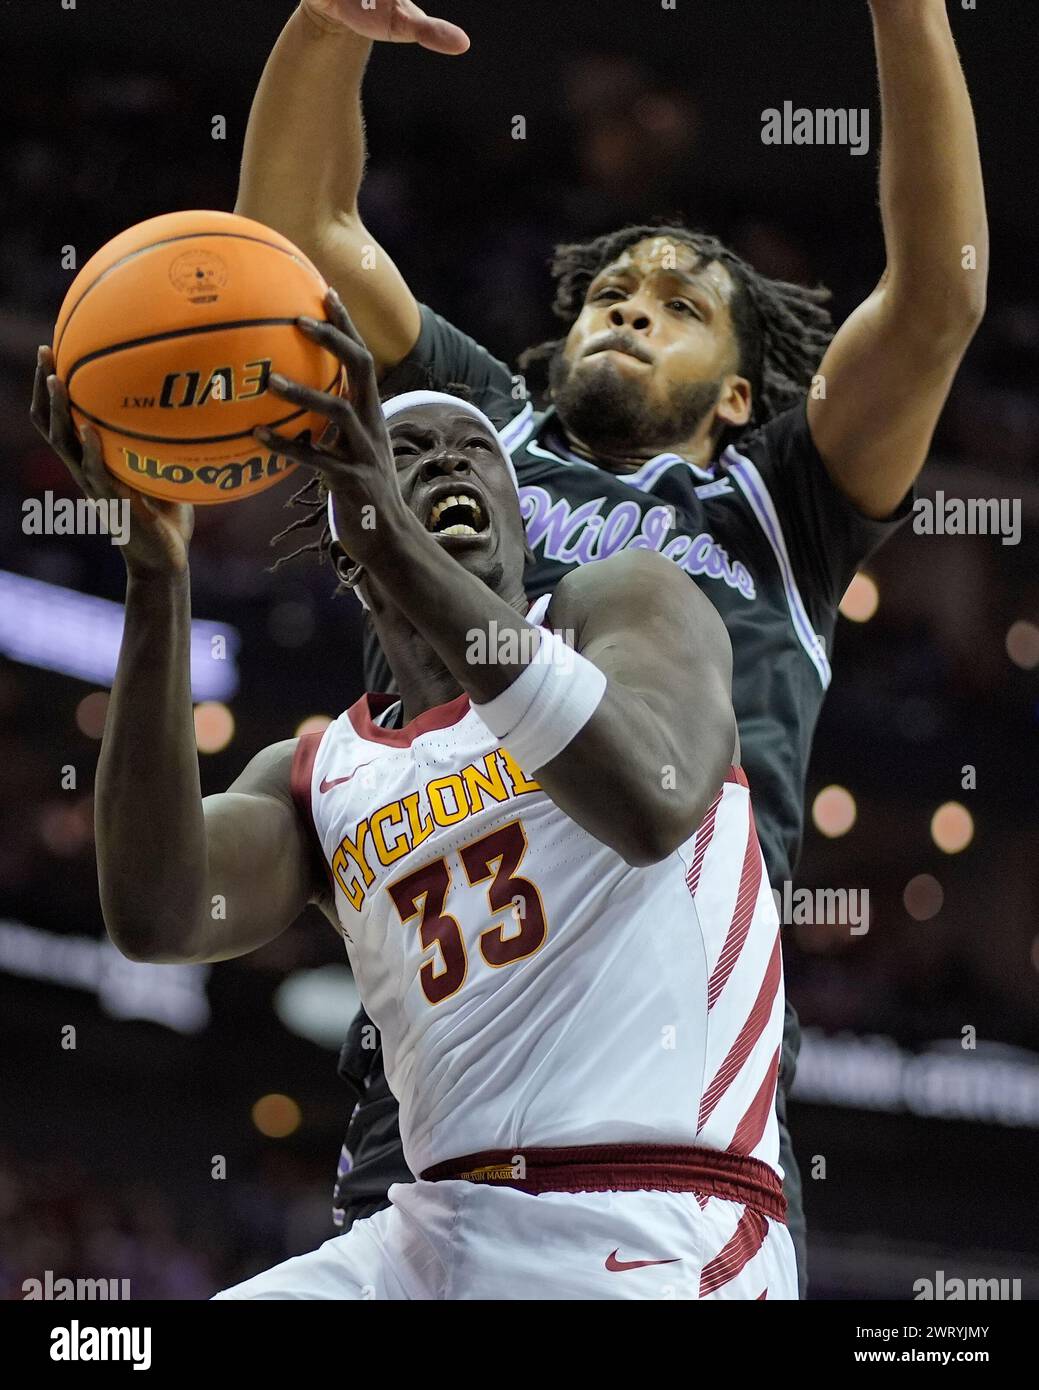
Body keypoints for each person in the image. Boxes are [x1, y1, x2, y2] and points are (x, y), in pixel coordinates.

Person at [236, 0, 988, 1293]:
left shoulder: (781, 501)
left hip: (661, 1103)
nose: (627, 312)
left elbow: (934, 300)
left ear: (741, 393)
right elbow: (294, 244)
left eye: (678, 305)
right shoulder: (476, 436)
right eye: (605, 293)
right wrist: (321, 26)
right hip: (440, 1075)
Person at [32, 299, 796, 1300]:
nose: (442, 463)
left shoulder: (625, 606)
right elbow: (156, 913)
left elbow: (651, 802)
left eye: (470, 450)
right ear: (342, 546)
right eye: (406, 451)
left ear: (522, 522)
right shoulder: (322, 771)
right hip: (428, 1231)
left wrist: (392, 533)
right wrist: (155, 577)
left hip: (650, 1221)